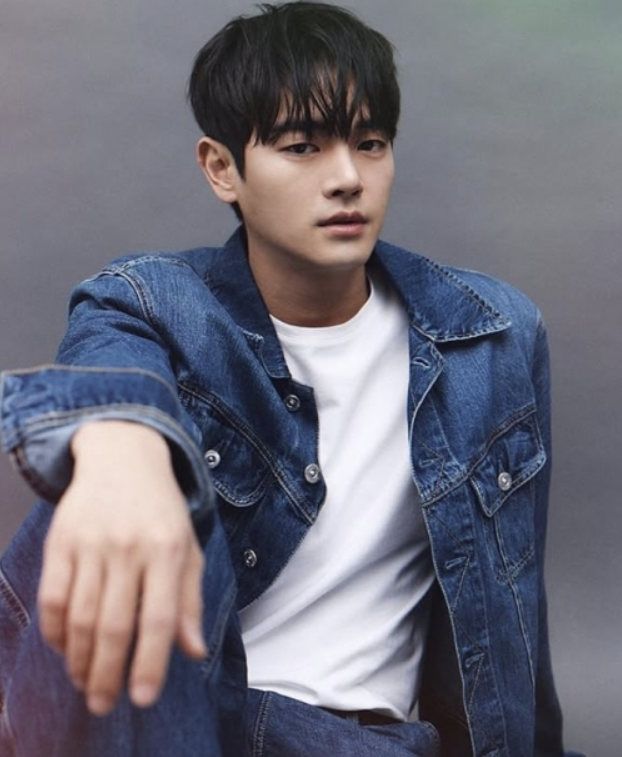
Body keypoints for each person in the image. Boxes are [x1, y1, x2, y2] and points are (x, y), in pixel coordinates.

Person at [0, 3, 584, 756]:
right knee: (118, 473)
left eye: (370, 144)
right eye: (303, 147)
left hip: (362, 742)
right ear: (222, 169)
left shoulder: (494, 336)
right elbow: (108, 370)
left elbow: (514, 612)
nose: (347, 179)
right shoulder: (154, 302)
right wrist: (125, 454)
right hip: (186, 718)